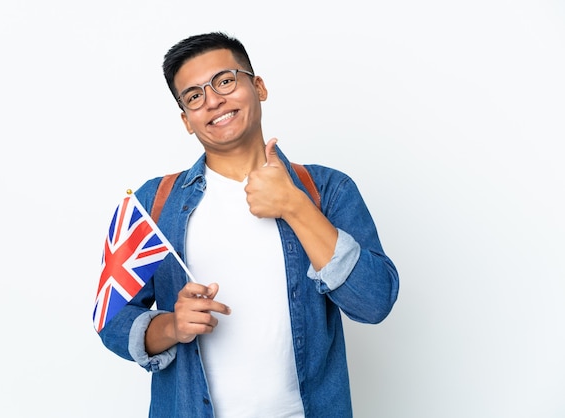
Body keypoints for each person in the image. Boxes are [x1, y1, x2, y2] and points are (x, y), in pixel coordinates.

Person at [96, 31, 399, 418]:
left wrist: (295, 206)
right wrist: (172, 326)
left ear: (258, 86)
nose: (213, 101)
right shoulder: (154, 203)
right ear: (187, 120)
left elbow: (374, 303)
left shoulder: (327, 189)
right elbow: (112, 318)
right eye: (194, 96)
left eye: (224, 81)